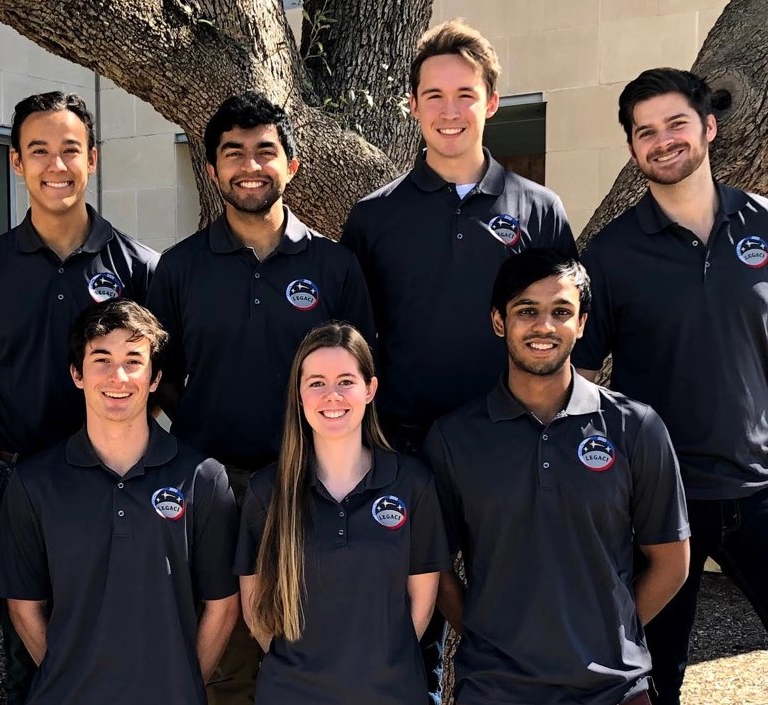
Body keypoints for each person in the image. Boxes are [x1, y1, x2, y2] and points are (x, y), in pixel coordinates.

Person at [337, 19, 578, 700]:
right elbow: (355, 343)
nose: (449, 111)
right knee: (403, 621)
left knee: (509, 611)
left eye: (464, 94)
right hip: (406, 447)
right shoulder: (373, 217)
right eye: (433, 95)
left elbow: (558, 328)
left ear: (490, 102)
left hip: (510, 445)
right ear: (411, 105)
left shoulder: (539, 209)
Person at [147, 90, 375, 703]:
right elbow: (156, 373)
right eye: (233, 153)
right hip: (213, 485)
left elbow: (360, 374)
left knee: (311, 639)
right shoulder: (179, 268)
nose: (250, 165)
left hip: (311, 487)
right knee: (226, 654)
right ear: (213, 168)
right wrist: (197, 419)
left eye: (265, 151)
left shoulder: (335, 266)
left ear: (292, 165)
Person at [0, 91, 160, 702]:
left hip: (121, 484)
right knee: (32, 658)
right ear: (16, 163)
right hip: (27, 489)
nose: (55, 165)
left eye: (70, 150)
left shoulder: (139, 266)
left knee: (124, 638)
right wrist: (11, 427)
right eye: (38, 150)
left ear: (92, 158)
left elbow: (161, 374)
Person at [572, 67, 768, 705]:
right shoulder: (609, 255)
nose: (663, 141)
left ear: (709, 126)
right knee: (654, 678)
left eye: (676, 123)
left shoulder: (764, 224)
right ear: (632, 148)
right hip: (660, 501)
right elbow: (574, 370)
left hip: (763, 486)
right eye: (645, 132)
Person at [427, 250, 690, 705]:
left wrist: (611, 637)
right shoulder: (453, 439)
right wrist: (486, 636)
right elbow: (435, 566)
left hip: (616, 689)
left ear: (582, 323)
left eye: (561, 312)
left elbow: (672, 561)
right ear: (498, 321)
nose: (544, 326)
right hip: (495, 688)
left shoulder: (636, 428)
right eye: (526, 311)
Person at [0, 299, 240, 705]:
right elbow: (23, 606)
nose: (118, 375)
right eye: (102, 359)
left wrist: (182, 687)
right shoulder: (34, 482)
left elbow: (223, 606)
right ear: (77, 373)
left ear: (155, 377)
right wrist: (69, 680)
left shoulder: (202, 478)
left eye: (134, 360)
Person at [236, 322, 447, 705]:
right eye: (316, 383)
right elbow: (255, 608)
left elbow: (422, 604)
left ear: (370, 390)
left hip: (392, 693)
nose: (332, 396)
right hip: (292, 695)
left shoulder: (413, 484)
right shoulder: (266, 491)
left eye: (346, 381)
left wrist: (377, 669)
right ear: (299, 396)